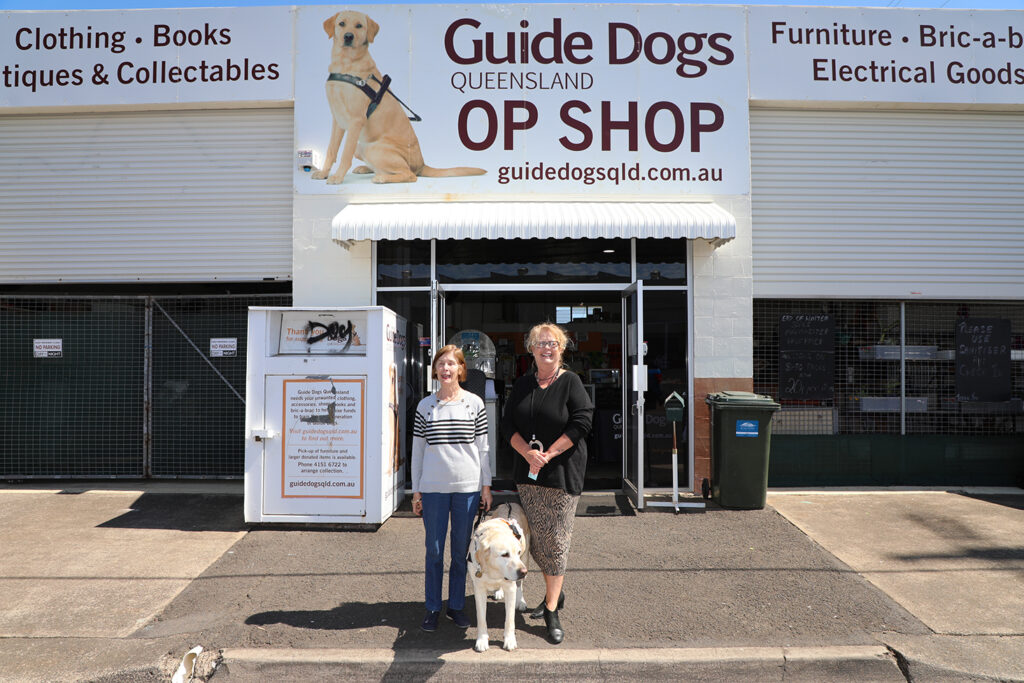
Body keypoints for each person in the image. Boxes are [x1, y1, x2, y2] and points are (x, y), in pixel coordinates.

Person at [501, 322, 594, 644]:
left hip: (562, 474)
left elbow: (582, 422)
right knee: (538, 543)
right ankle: (557, 591)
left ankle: (552, 608)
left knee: (556, 543)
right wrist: (527, 453)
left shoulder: (571, 382)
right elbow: (507, 425)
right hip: (528, 476)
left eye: (552, 343)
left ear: (562, 348)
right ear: (531, 349)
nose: (546, 348)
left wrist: (548, 454)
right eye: (540, 343)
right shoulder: (522, 384)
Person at [411, 344, 493, 632]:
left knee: (460, 552)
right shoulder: (425, 406)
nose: (446, 368)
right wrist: (416, 491)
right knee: (434, 551)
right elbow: (418, 451)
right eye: (441, 364)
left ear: (461, 369)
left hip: (467, 489)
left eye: (451, 363)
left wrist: (486, 486)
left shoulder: (475, 404)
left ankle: (456, 606)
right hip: (432, 489)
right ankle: (433, 607)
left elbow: (483, 449)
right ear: (434, 370)